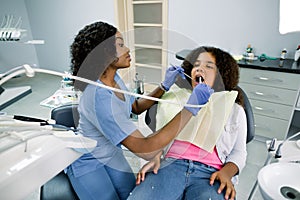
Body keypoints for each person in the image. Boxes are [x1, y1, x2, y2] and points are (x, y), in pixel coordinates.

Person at [67, 21, 212, 200]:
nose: (128, 49)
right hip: (87, 162)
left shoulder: (113, 78)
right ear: (105, 53)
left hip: (111, 152)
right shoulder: (98, 97)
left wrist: (163, 86)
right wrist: (190, 108)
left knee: (132, 194)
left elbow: (134, 107)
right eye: (120, 45)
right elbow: (146, 149)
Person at [128, 46, 247, 200]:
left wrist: (227, 172)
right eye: (196, 65)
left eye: (208, 66)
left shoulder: (234, 109)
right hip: (169, 165)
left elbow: (239, 152)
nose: (200, 69)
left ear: (221, 75)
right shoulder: (175, 98)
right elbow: (155, 129)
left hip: (211, 175)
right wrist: (155, 153)